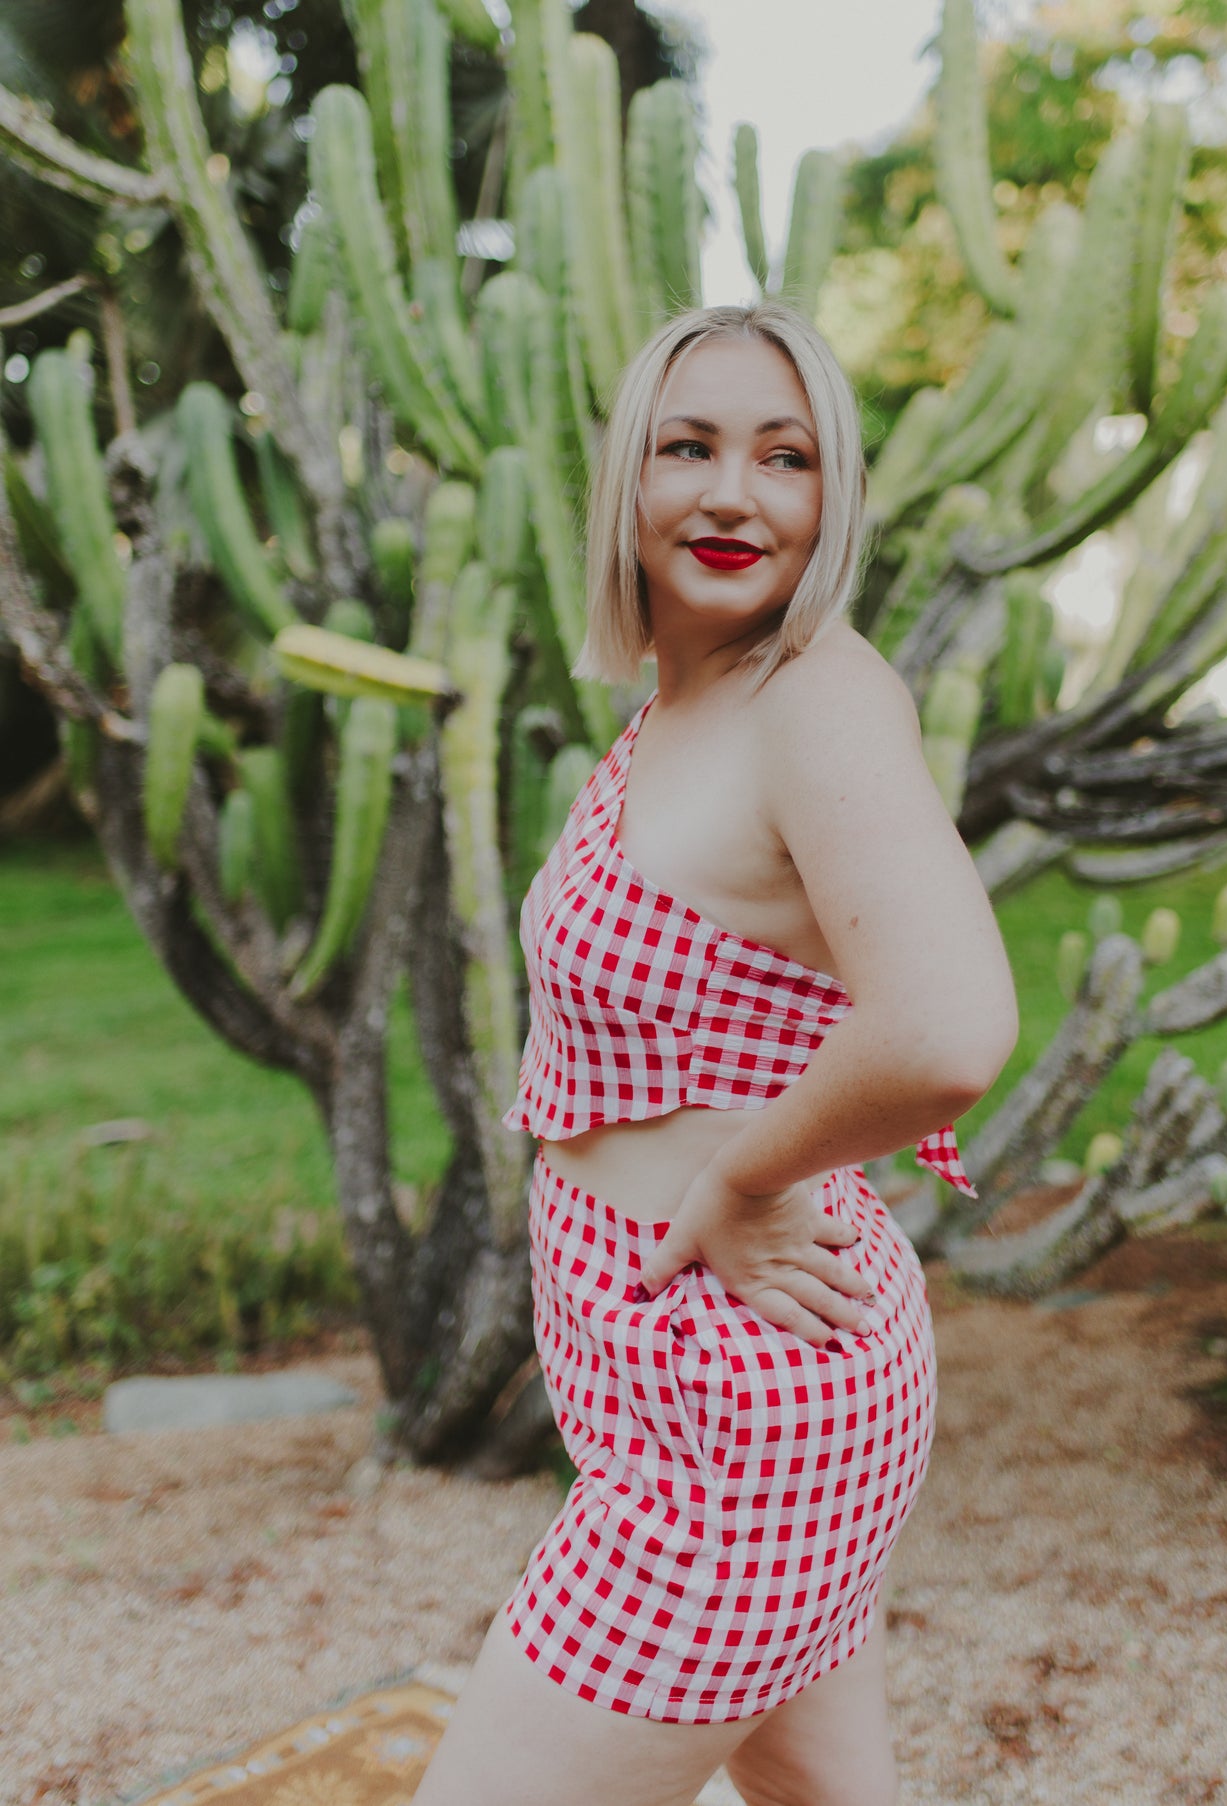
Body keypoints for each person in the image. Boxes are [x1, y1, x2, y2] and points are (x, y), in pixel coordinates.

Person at [412, 301, 1018, 1806]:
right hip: (694, 1383)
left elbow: (946, 1027)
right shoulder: (682, 705)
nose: (732, 493)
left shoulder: (814, 695)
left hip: (739, 1407)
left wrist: (742, 1182)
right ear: (626, 476)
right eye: (687, 447)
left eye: (785, 455)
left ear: (834, 497)